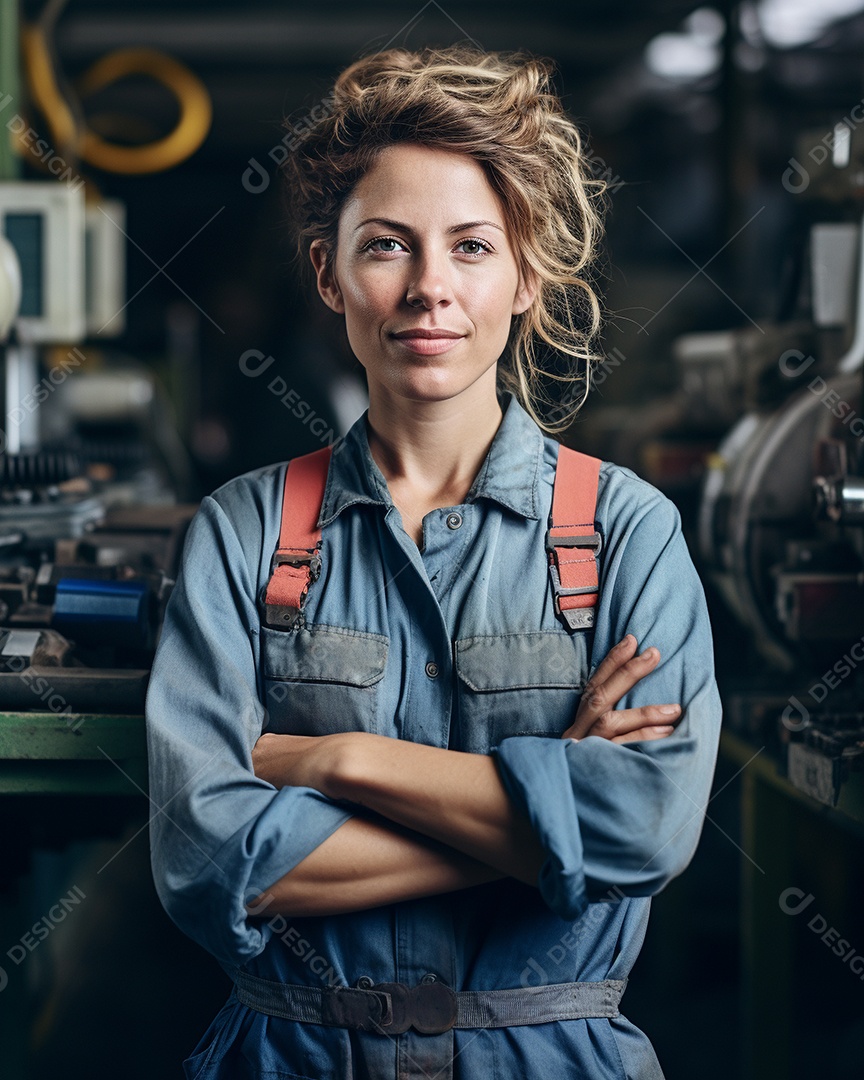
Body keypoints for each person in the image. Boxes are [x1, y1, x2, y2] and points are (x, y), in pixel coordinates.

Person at [145, 45, 723, 1080]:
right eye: (386, 247)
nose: (428, 290)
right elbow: (200, 862)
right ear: (328, 272)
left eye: (470, 247)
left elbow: (648, 829)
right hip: (293, 1054)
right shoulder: (244, 532)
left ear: (527, 273)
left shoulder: (629, 531)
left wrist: (333, 762)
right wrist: (551, 834)